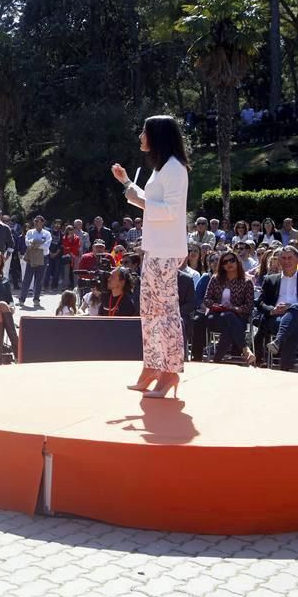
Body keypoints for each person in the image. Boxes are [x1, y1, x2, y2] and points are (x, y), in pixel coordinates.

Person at [112, 114, 190, 398]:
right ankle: (152, 367)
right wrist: (127, 184)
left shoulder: (175, 169)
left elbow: (169, 210)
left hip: (166, 250)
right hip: (156, 248)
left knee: (166, 312)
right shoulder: (163, 168)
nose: (140, 137)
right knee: (150, 312)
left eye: (144, 132)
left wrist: (136, 197)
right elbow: (153, 203)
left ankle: (169, 372)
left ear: (157, 136)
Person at [253, 246, 298, 370]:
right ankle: (285, 368)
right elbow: (260, 303)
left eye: (290, 258)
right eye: (283, 258)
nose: (286, 261)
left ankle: (278, 341)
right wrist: (272, 310)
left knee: (295, 310)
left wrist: (292, 307)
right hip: (276, 318)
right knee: (291, 327)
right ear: (279, 260)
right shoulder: (270, 279)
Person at [190, 250, 256, 364]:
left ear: (238, 262)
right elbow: (207, 299)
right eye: (225, 262)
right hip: (216, 317)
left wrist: (234, 308)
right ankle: (245, 349)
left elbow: (249, 306)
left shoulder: (246, 282)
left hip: (238, 318)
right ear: (222, 265)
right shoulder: (215, 279)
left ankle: (217, 359)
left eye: (232, 260)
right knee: (226, 317)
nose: (228, 263)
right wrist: (214, 305)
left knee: (229, 318)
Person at [20, 215, 51, 307]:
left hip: (43, 257)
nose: (36, 223)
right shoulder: (30, 232)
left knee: (39, 279)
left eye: (38, 221)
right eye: (35, 221)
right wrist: (38, 243)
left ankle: (36, 298)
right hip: (32, 256)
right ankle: (22, 298)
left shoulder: (47, 233)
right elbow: (27, 242)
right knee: (27, 278)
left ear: (42, 222)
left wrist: (36, 245)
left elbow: (47, 245)